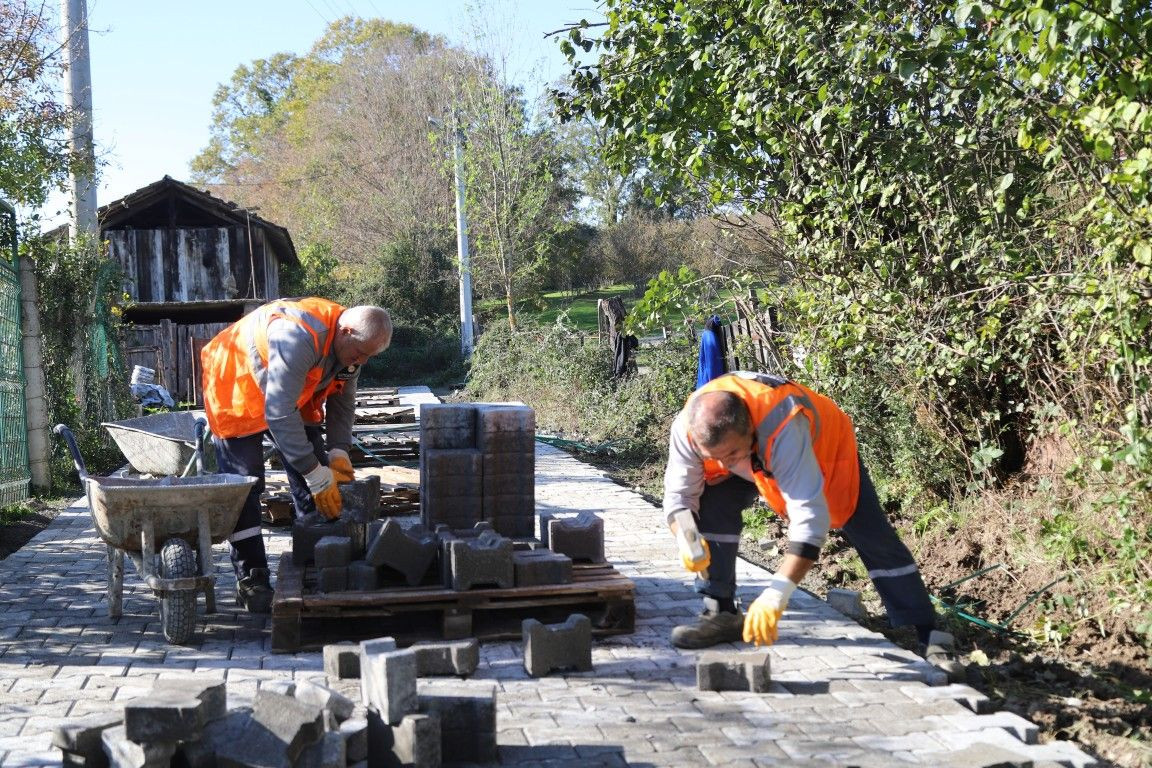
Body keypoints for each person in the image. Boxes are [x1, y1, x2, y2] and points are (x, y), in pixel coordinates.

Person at [663, 370, 964, 680]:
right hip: (758, 456)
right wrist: (686, 536)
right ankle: (720, 611)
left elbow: (810, 520)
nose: (724, 464)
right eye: (714, 456)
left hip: (825, 453)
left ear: (750, 429)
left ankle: (930, 633)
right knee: (712, 503)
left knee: (871, 533)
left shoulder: (784, 425)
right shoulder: (688, 427)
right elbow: (679, 496)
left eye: (731, 453)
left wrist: (776, 594)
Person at [201, 298, 393, 613]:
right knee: (245, 484)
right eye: (360, 354)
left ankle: (317, 560)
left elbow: (343, 401)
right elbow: (278, 413)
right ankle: (252, 578)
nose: (362, 362)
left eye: (368, 357)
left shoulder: (352, 347)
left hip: (288, 389)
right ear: (344, 331)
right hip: (235, 383)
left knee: (315, 472)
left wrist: (338, 451)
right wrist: (315, 472)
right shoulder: (299, 336)